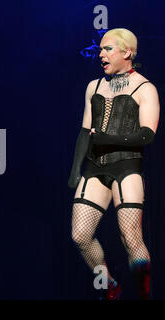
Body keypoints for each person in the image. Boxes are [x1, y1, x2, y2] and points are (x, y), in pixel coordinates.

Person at [68, 28, 160, 300]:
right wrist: (75, 172)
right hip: (95, 168)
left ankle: (145, 297)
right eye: (100, 49)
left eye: (108, 49)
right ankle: (109, 287)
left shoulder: (145, 87)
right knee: (80, 236)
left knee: (130, 238)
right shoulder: (93, 87)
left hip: (127, 167)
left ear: (127, 52)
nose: (101, 54)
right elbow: (85, 132)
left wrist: (109, 138)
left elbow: (148, 134)